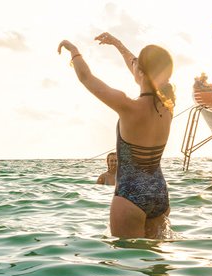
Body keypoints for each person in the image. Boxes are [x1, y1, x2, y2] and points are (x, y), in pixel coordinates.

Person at [59, 33, 174, 239]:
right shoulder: (168, 108)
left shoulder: (128, 106)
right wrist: (118, 44)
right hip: (159, 193)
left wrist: (74, 52)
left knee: (127, 264)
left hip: (130, 196)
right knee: (157, 266)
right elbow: (138, 68)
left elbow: (86, 78)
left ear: (139, 71)